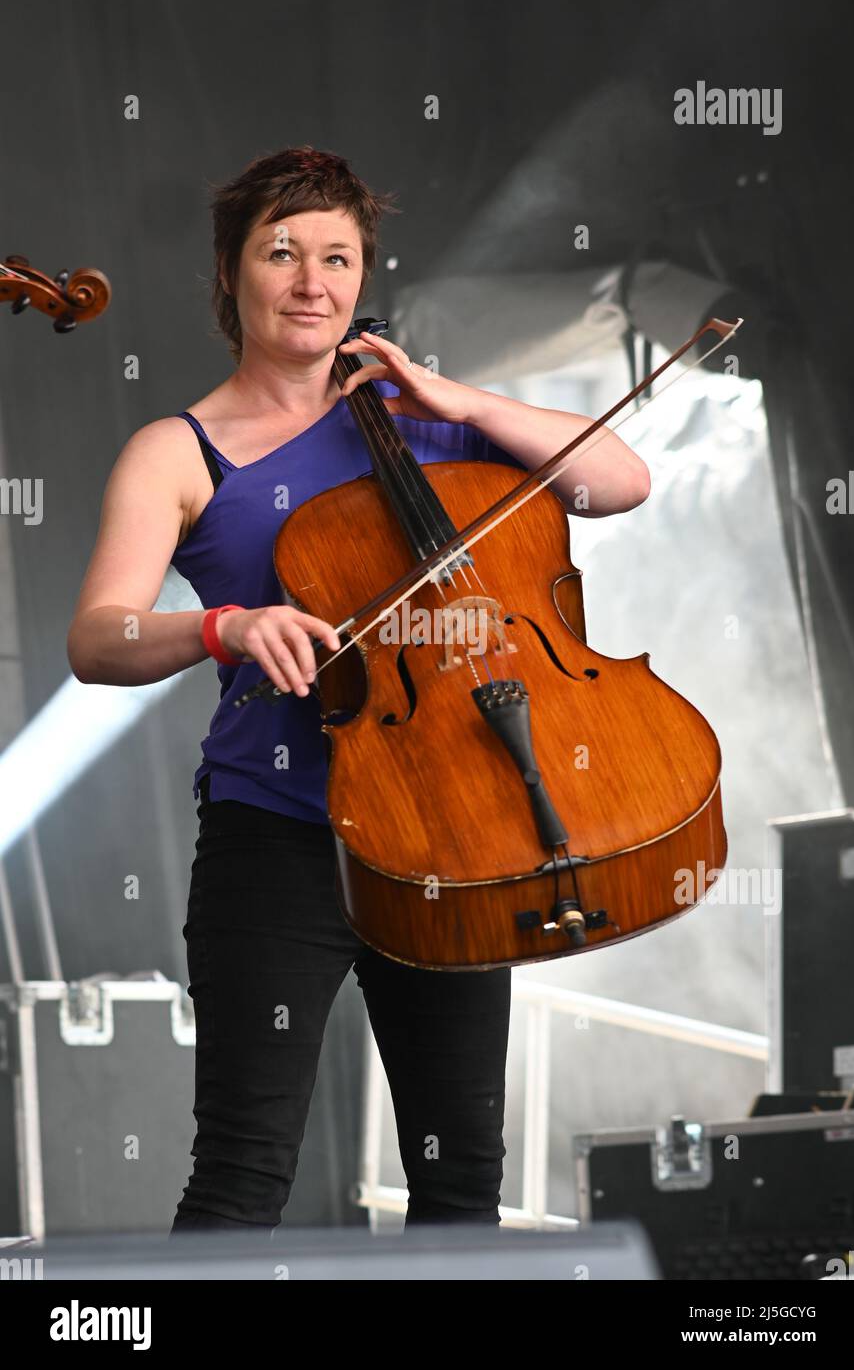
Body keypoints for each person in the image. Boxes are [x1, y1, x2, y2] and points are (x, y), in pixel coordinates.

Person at [66, 145, 650, 1236]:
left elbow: (617, 481)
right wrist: (224, 625)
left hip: (450, 828)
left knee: (460, 1170)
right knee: (243, 1165)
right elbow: (99, 637)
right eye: (281, 252)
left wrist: (445, 390)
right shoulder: (177, 450)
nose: (312, 281)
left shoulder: (428, 421)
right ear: (230, 274)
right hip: (278, 830)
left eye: (337, 257)